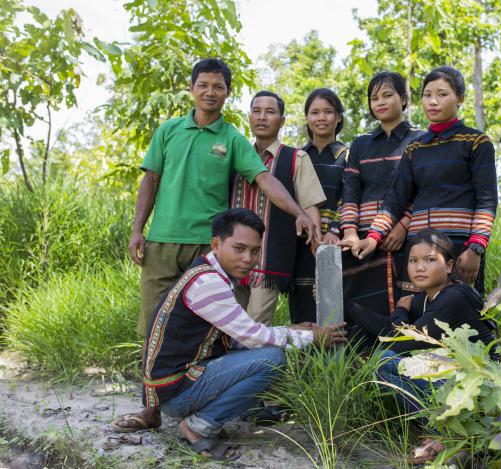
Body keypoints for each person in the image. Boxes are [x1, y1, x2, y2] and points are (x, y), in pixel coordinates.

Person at [114, 58, 318, 432]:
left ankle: (210, 400)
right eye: (203, 85)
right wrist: (136, 229)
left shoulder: (232, 139)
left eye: (218, 86)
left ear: (227, 92)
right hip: (161, 241)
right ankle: (151, 411)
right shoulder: (169, 130)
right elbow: (151, 181)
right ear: (192, 88)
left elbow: (264, 179)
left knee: (214, 331)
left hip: (206, 251)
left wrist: (299, 212)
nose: (210, 92)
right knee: (152, 326)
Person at [141, 208, 346, 460]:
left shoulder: (208, 272)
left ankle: (203, 418)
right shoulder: (209, 283)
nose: (248, 258)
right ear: (216, 244)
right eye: (239, 249)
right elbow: (252, 337)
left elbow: (237, 336)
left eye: (255, 250)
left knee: (266, 351)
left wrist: (290, 330)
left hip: (173, 385)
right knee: (272, 359)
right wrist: (312, 337)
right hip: (175, 392)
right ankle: (197, 426)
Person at [344, 229, 497, 465]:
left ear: (449, 266)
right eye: (413, 261)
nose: (420, 267)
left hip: (485, 387)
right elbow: (389, 329)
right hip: (459, 382)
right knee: (382, 365)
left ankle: (449, 435)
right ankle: (444, 431)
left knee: (384, 360)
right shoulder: (427, 298)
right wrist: (346, 305)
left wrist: (402, 311)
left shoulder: (454, 297)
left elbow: (404, 343)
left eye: (429, 260)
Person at [342, 66, 498, 296]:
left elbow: (487, 201)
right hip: (417, 247)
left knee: (457, 314)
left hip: (459, 245)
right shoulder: (415, 148)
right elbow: (396, 199)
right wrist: (374, 238)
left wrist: (476, 247)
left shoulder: (476, 142)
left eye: (442, 94)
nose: (433, 101)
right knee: (415, 314)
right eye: (427, 95)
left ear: (460, 99)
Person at [231, 90, 326, 325]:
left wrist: (317, 245)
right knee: (228, 325)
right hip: (231, 258)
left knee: (254, 327)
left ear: (282, 121)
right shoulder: (233, 156)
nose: (262, 117)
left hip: (269, 260)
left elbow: (310, 205)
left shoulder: (296, 158)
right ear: (249, 117)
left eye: (270, 112)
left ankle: (253, 362)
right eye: (256, 111)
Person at [339, 71, 424, 314]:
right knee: (363, 305)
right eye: (374, 98)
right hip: (364, 238)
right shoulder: (360, 144)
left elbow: (424, 190)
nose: (380, 102)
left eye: (388, 95)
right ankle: (365, 352)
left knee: (409, 300)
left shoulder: (420, 139)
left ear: (404, 99)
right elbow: (351, 191)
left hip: (406, 235)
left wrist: (402, 226)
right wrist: (351, 232)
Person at [289, 88, 348, 323]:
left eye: (328, 112)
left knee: (334, 296)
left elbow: (350, 196)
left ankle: (335, 355)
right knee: (302, 297)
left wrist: (335, 229)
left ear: (339, 117)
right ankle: (301, 355)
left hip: (336, 240)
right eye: (314, 112)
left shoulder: (348, 156)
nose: (321, 118)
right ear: (307, 118)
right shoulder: (296, 156)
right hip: (301, 239)